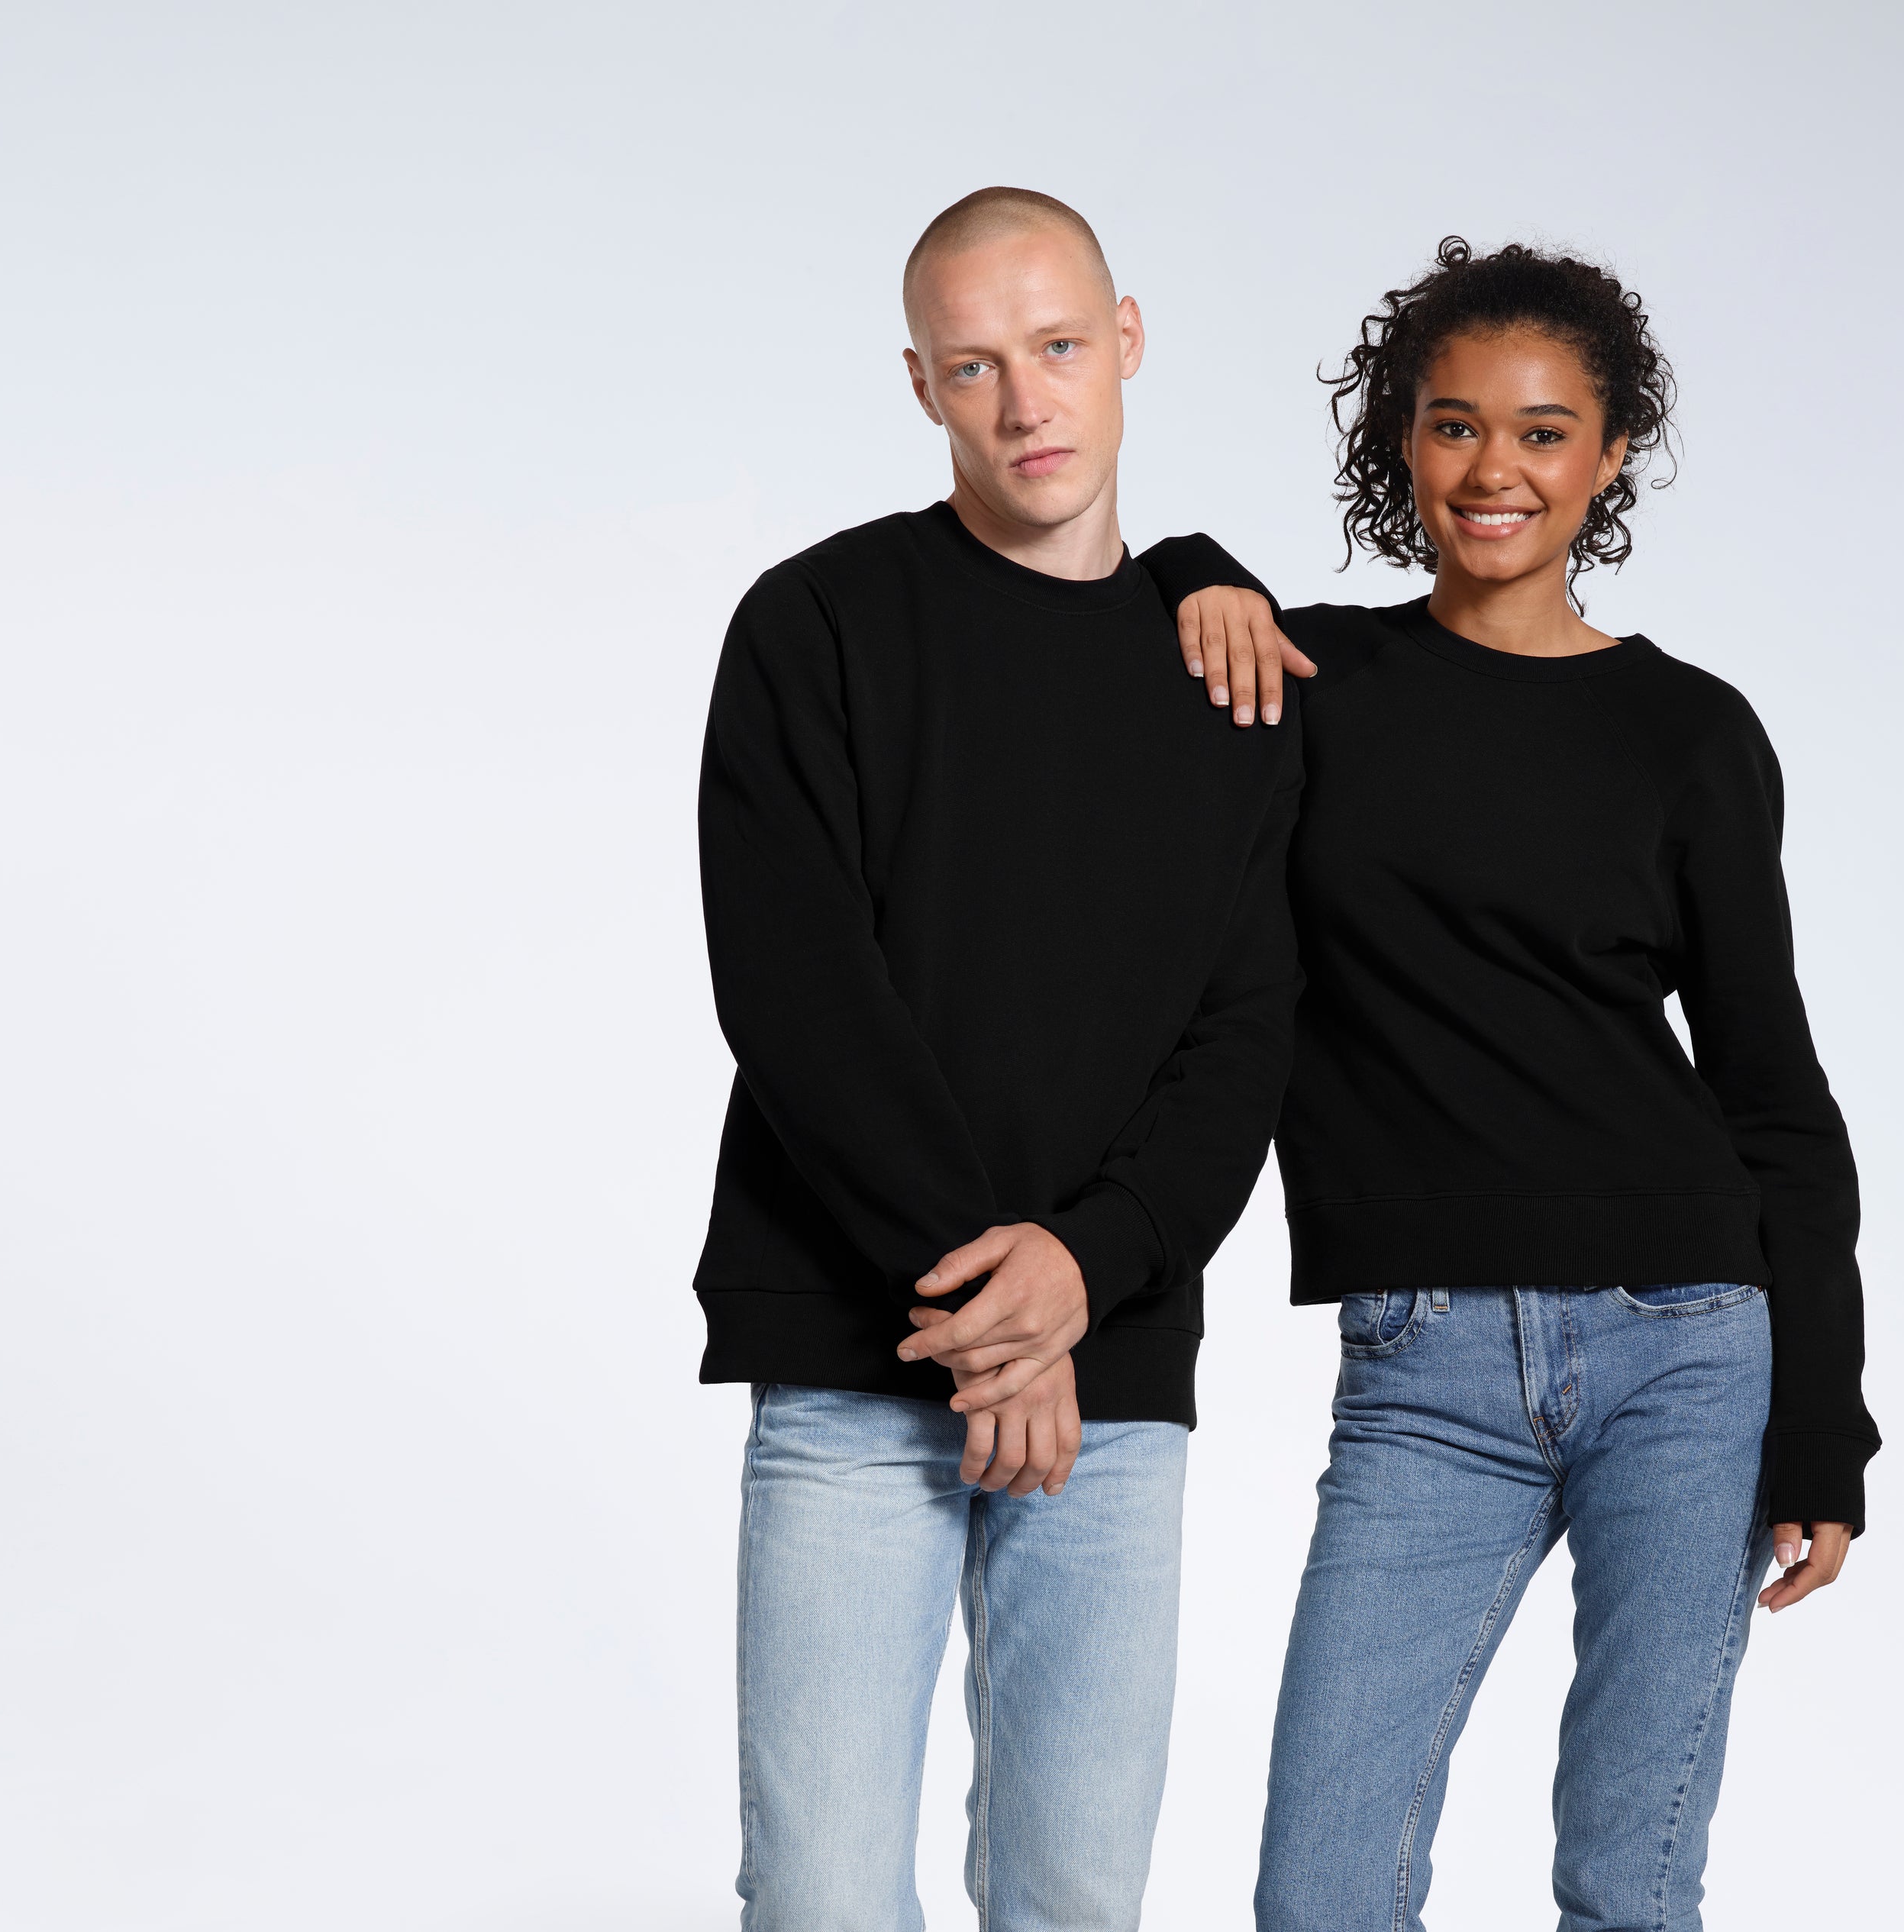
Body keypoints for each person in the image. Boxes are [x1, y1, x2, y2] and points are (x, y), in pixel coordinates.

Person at [1138, 237, 1880, 1931]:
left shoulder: (1691, 732)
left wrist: (1823, 1425)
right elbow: (1109, 619)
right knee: (1322, 1893)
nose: (1497, 471)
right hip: (1426, 1362)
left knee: (1630, 1884)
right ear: (1400, 442)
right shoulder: (1307, 687)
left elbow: (1774, 1093)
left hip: (1690, 1347)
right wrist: (1192, 561)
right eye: (1456, 425)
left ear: (1610, 458)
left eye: (1545, 434)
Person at [694, 185, 1302, 1931]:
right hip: (853, 1360)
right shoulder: (814, 627)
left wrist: (1082, 1276)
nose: (1026, 402)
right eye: (975, 366)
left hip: (1115, 1376)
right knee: (816, 1900)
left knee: (1075, 1899)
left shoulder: (1235, 677)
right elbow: (800, 1001)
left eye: (1055, 348)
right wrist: (993, 1320)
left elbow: (1243, 1040)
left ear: (1126, 342)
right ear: (919, 386)